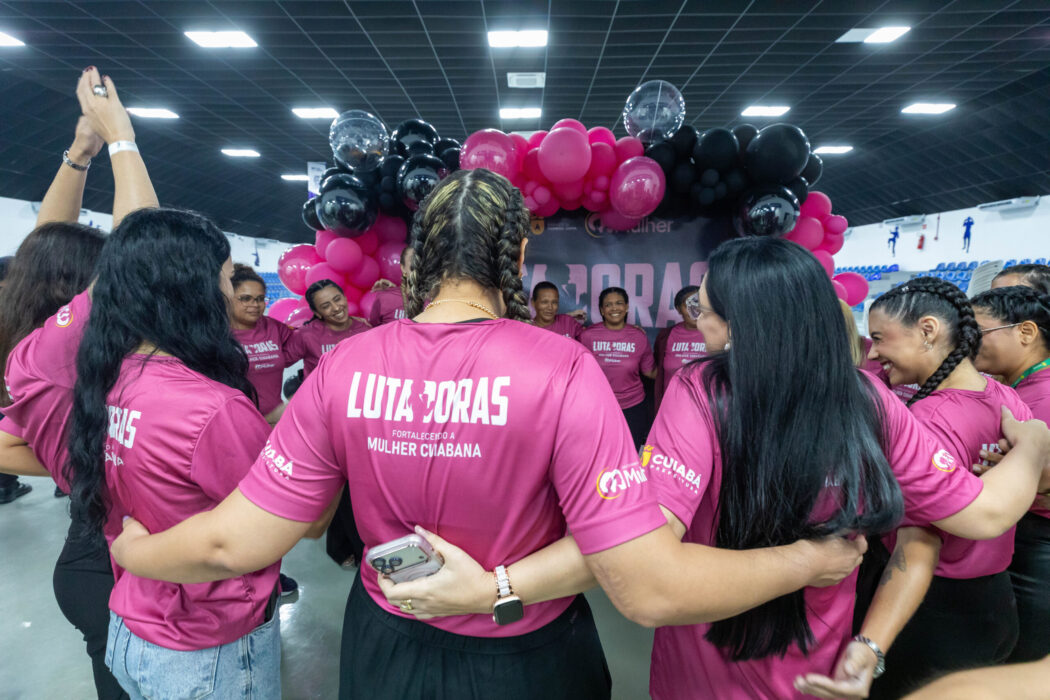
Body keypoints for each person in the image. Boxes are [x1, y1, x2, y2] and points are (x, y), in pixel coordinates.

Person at [109, 169, 870, 700]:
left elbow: (231, 546)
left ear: (419, 260)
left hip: (387, 643)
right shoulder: (563, 368)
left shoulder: (346, 367)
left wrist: (134, 550)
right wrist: (810, 557)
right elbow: (644, 586)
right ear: (519, 257)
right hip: (527, 655)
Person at [378, 236, 1050, 700]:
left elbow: (648, 580)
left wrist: (493, 588)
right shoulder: (865, 396)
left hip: (713, 674)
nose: (697, 320)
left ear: (746, 318)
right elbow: (987, 510)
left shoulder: (705, 391)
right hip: (804, 677)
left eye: (707, 307)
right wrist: (1030, 449)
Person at [67, 207, 310, 700]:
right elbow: (258, 534)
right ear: (191, 286)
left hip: (135, 619)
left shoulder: (112, 379)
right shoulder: (212, 409)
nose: (229, 293)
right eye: (225, 277)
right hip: (207, 646)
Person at [0, 67, 155, 700]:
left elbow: (43, 249)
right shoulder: (68, 345)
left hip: (87, 549)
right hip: (112, 558)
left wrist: (78, 155)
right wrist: (121, 138)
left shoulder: (27, 344)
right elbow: (136, 247)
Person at [860, 277, 1030, 697]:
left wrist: (869, 645)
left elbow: (917, 547)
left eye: (880, 338)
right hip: (995, 600)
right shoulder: (1004, 397)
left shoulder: (926, 423)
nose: (874, 351)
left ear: (928, 330)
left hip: (932, 610)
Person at [971, 286, 1050, 662]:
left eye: (978, 332)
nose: (967, 342)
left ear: (1026, 332)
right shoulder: (1020, 388)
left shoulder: (1044, 396)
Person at [578, 287, 657, 447]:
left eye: (619, 303)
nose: (614, 308)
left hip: (632, 407)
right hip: (598, 407)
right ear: (601, 310)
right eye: (608, 305)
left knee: (630, 455)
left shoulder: (638, 337)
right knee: (599, 454)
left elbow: (650, 372)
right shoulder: (587, 336)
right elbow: (577, 372)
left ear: (627, 307)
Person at [229, 264, 296, 424]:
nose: (255, 304)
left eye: (260, 299)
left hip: (275, 422)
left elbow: (310, 336)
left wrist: (350, 322)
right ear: (228, 297)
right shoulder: (215, 334)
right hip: (236, 424)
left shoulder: (274, 327)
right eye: (246, 298)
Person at [286, 278, 371, 377]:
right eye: (326, 306)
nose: (336, 308)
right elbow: (274, 362)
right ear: (317, 313)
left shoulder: (365, 330)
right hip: (318, 392)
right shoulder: (306, 335)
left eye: (337, 299)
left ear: (345, 298)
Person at [653, 285, 705, 408]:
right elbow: (657, 370)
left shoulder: (718, 334)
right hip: (671, 406)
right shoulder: (666, 336)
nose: (695, 309)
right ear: (678, 309)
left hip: (706, 408)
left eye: (699, 303)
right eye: (688, 305)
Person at [367, 247, 414, 326]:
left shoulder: (436, 300)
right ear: (403, 268)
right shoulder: (385, 298)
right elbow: (373, 330)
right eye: (414, 260)